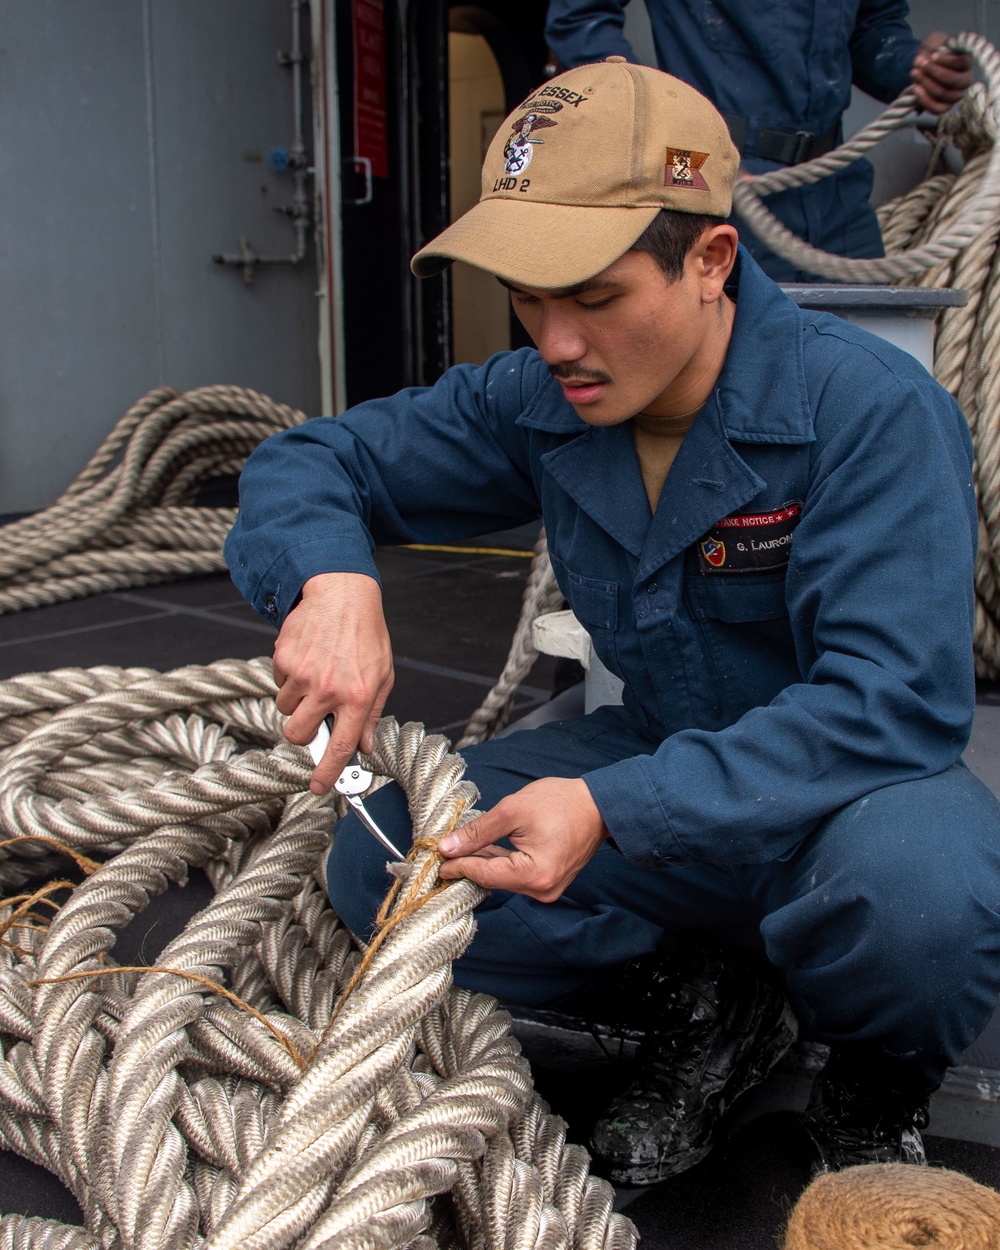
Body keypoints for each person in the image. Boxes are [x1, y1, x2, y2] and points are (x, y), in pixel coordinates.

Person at [225, 58, 1000, 1184]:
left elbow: (890, 705)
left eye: (592, 294)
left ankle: (875, 1086)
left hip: (843, 787)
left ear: (709, 261)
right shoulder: (539, 401)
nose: (556, 339)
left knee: (924, 900)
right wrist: (331, 582)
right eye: (528, 296)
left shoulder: (869, 414)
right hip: (654, 753)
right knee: (384, 850)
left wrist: (611, 805)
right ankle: (705, 1004)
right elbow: (311, 460)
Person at [544, 0, 972, 280]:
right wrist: (659, 124)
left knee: (869, 357)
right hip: (699, 169)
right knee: (731, 378)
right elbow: (580, 19)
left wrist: (916, 64)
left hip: (836, 186)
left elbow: (873, 27)